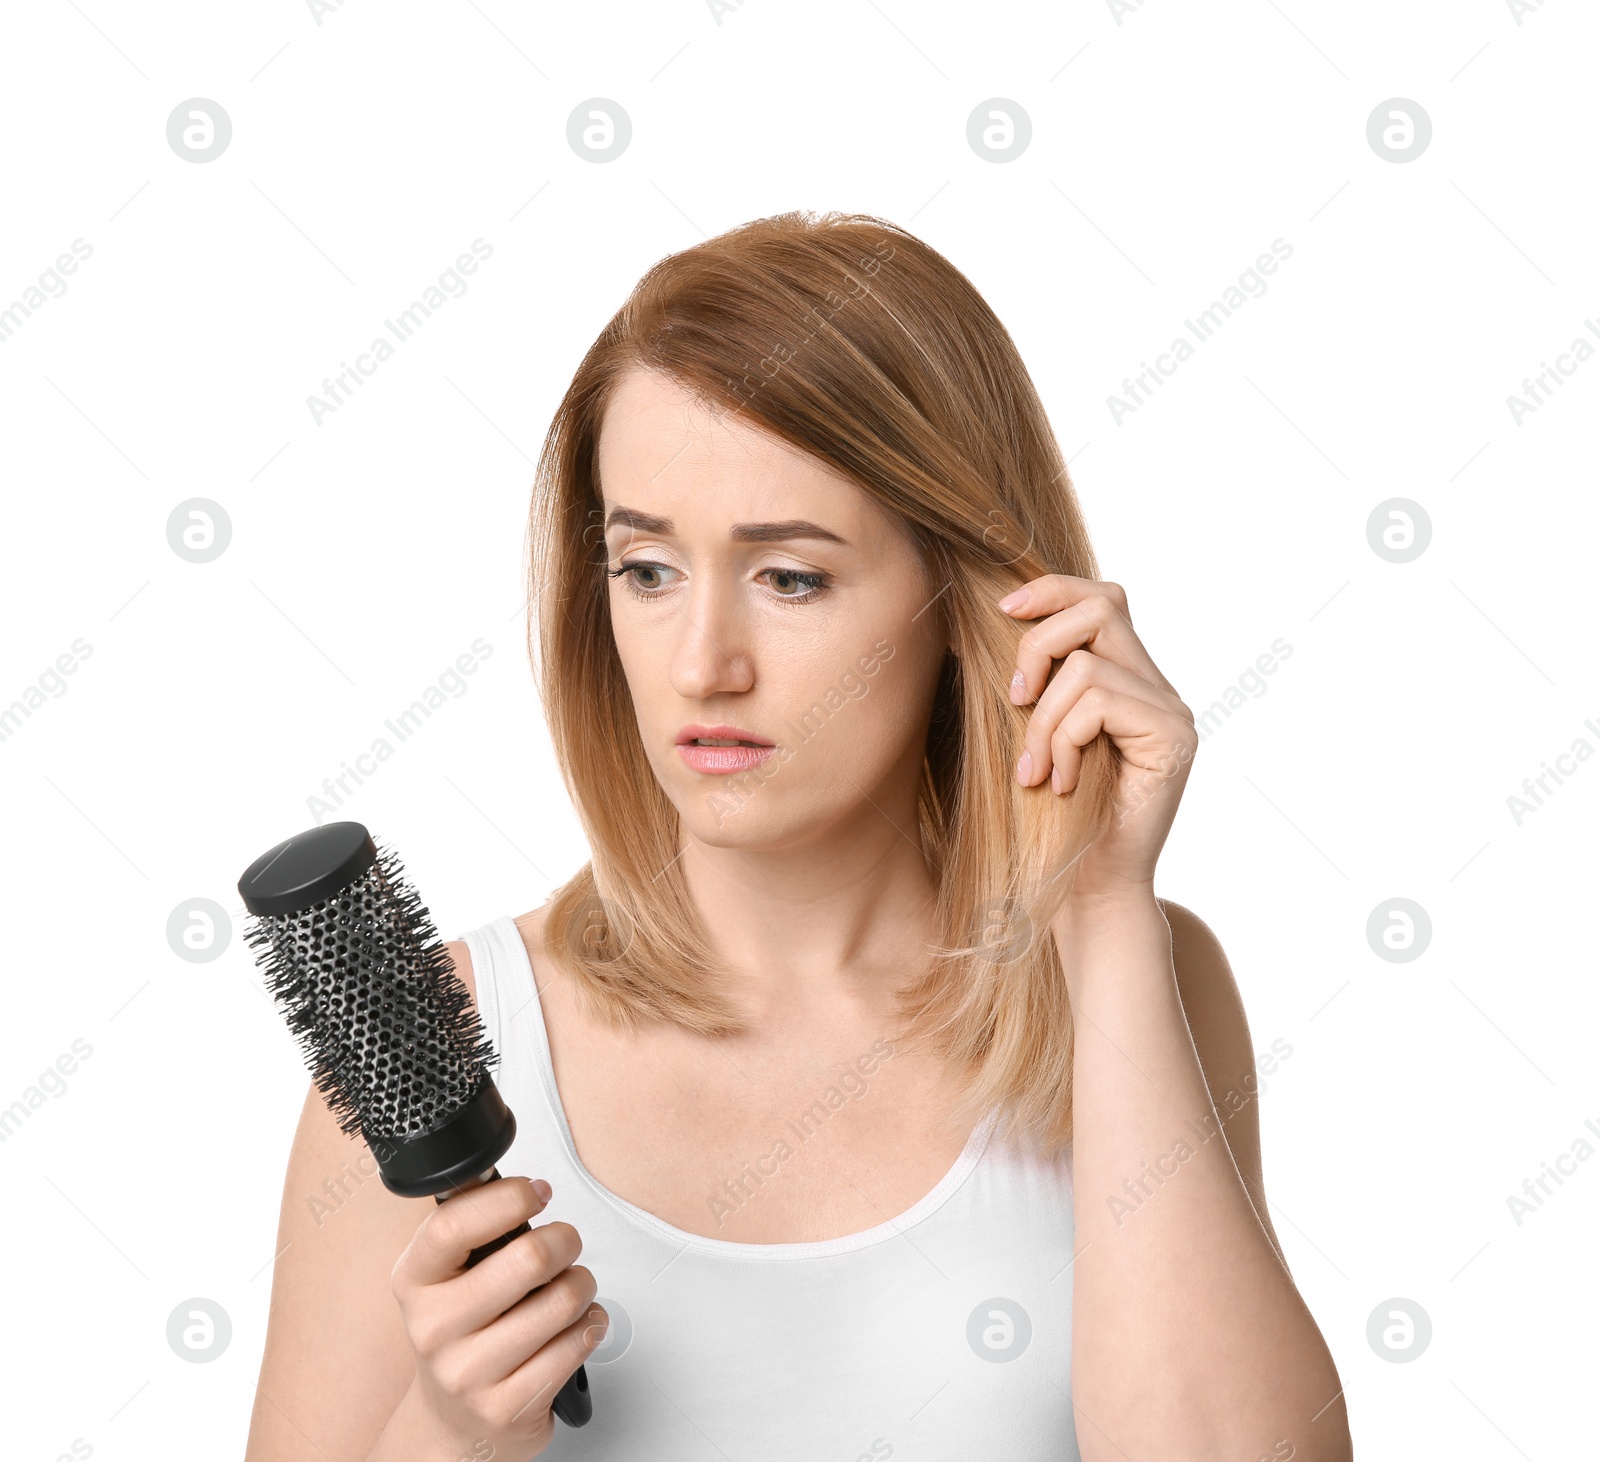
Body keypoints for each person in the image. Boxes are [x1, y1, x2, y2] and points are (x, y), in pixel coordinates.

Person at [244, 210, 1351, 1461]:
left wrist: (1099, 907)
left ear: (971, 599)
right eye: (648, 569)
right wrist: (446, 1430)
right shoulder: (440, 1049)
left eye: (790, 577)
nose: (702, 665)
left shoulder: (1127, 981)